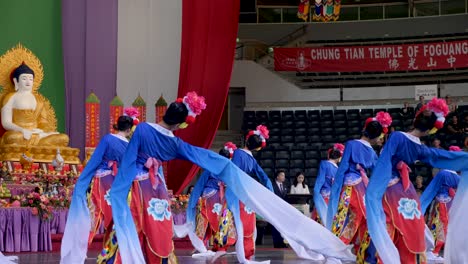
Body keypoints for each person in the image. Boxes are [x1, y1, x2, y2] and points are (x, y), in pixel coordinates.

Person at [105, 92, 355, 264]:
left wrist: (119, 189)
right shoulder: (177, 144)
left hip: (139, 186)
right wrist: (229, 168)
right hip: (157, 189)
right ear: (183, 123)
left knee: (134, 224)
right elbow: (203, 157)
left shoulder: (144, 129)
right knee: (158, 228)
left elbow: (128, 161)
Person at [365, 97, 468, 264]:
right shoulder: (420, 148)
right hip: (407, 192)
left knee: (388, 223)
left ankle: (383, 257)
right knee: (412, 224)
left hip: (389, 187)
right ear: (430, 131)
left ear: (415, 120)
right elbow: (443, 156)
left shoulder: (397, 136)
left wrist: (374, 190)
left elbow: (384, 162)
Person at [61, 111, 136, 263]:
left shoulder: (108, 139)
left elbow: (95, 160)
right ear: (129, 130)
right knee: (114, 222)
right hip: (116, 187)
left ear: (117, 125)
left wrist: (83, 180)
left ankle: (77, 252)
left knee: (91, 219)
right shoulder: (130, 146)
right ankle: (110, 256)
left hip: (101, 183)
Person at [327, 112, 391, 261]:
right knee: (361, 219)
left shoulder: (351, 144)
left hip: (350, 185)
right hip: (363, 187)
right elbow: (378, 172)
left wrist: (336, 190)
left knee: (345, 218)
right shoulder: (372, 152)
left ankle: (335, 251)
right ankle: (357, 253)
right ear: (375, 136)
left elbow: (342, 168)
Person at [186, 142, 238, 257]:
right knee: (221, 220)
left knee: (204, 220)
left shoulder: (211, 167)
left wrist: (194, 199)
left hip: (209, 195)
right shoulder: (229, 169)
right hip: (218, 197)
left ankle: (200, 244)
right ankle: (218, 245)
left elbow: (200, 184)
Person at [231, 125, 274, 259]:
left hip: (237, 191)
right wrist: (270, 192)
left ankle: (239, 250)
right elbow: (264, 177)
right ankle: (248, 251)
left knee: (238, 222)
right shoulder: (252, 160)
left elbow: (234, 171)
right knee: (249, 223)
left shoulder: (238, 153)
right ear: (257, 147)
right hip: (247, 193)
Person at [1, 63, 69, 146]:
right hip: (19, 134)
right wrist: (22, 130)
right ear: (16, 81)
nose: (28, 81)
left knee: (63, 138)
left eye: (30, 79)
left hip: (37, 134)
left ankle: (38, 144)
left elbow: (43, 122)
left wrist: (42, 131)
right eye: (24, 78)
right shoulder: (10, 97)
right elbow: (6, 123)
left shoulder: (39, 100)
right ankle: (40, 146)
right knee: (12, 138)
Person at [420, 146, 461, 261]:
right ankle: (449, 250)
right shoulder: (458, 178)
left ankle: (434, 251)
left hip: (440, 204)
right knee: (449, 225)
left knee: (437, 225)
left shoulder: (443, 174)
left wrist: (421, 203)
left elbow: (431, 190)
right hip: (452, 204)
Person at [312, 143, 344, 227]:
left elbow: (320, 180)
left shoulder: (325, 164)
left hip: (325, 196)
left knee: (322, 220)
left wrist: (316, 192)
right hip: (332, 198)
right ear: (338, 157)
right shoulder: (336, 168)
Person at [271, 170, 288, 248]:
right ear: (277, 176)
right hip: (274, 208)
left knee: (282, 226)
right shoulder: (272, 185)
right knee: (275, 226)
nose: (283, 177)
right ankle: (276, 242)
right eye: (282, 175)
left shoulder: (285, 186)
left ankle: (282, 241)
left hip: (283, 209)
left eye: (284, 176)